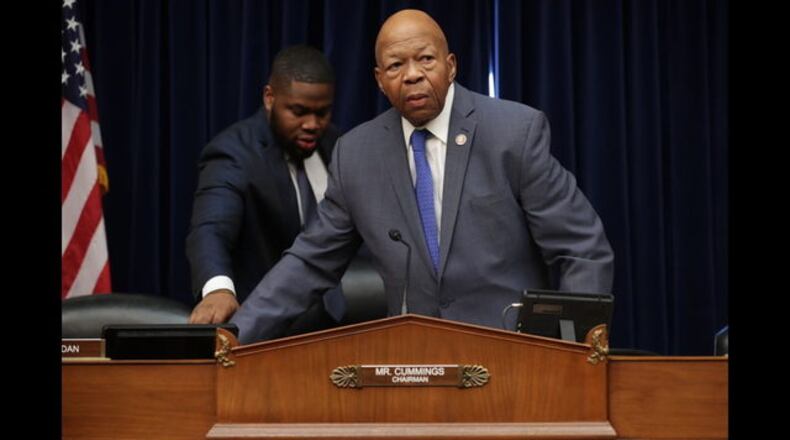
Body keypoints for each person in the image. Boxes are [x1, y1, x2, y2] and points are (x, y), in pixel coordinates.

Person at [224, 9, 614, 343]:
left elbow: (581, 248)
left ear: (451, 65)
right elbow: (310, 262)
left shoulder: (513, 133)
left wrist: (573, 353)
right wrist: (235, 335)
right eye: (396, 66)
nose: (411, 75)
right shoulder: (358, 154)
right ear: (379, 80)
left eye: (425, 59)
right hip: (417, 365)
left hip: (512, 356)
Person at [186, 45, 347, 336]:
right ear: (270, 98)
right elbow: (211, 230)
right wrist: (218, 289)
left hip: (332, 324)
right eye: (298, 112)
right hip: (263, 330)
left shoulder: (337, 144)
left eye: (322, 113)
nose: (312, 125)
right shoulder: (234, 153)